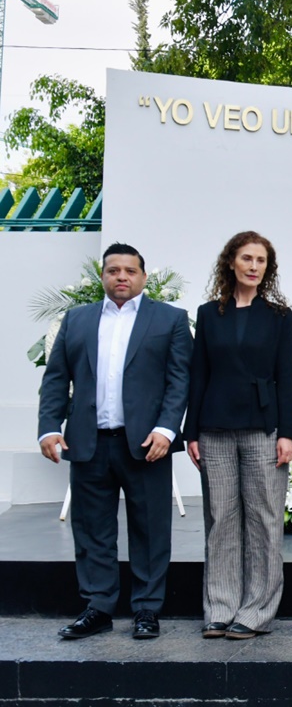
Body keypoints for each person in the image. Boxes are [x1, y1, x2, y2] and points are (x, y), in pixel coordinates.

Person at [38, 242, 192, 640]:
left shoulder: (170, 319)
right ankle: (98, 607)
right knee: (92, 531)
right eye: (113, 270)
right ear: (102, 276)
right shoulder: (77, 320)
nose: (121, 276)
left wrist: (166, 429)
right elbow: (56, 378)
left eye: (129, 270)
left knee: (150, 530)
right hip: (88, 444)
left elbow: (180, 380)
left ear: (143, 276)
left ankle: (146, 610)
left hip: (146, 445)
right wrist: (49, 427)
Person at [184, 231, 292, 640]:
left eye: (261, 261)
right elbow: (198, 375)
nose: (254, 266)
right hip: (214, 428)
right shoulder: (208, 313)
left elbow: (288, 376)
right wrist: (190, 431)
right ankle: (220, 607)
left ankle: (257, 611)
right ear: (231, 262)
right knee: (221, 518)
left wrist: (288, 433)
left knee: (265, 519)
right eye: (247, 258)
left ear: (268, 269)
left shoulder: (280, 316)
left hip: (264, 428)